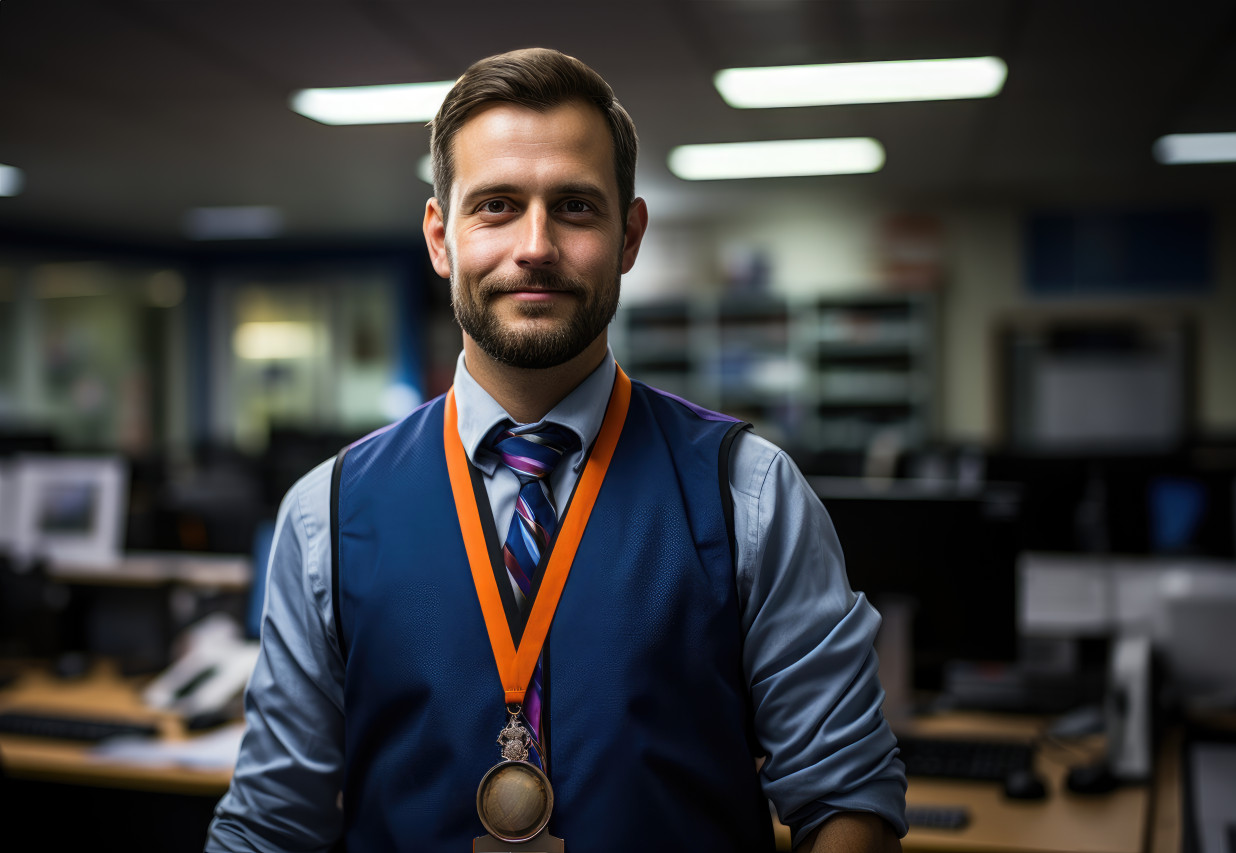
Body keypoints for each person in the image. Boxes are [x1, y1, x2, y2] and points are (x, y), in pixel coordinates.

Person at [206, 47, 906, 853]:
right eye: (496, 205)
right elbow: (270, 822)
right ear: (441, 237)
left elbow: (848, 796)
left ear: (629, 235)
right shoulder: (324, 512)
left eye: (574, 207)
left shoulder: (748, 492)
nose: (535, 245)